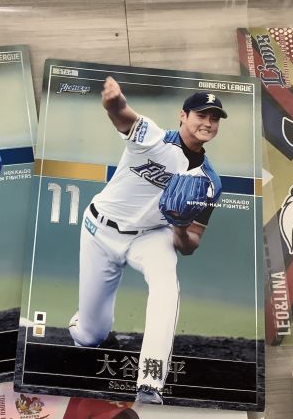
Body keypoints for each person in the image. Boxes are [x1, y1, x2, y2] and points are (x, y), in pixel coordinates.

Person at [69, 80, 225, 396]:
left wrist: (179, 227)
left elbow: (190, 244)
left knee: (166, 281)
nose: (208, 123)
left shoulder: (209, 182)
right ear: (183, 115)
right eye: (201, 115)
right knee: (90, 335)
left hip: (151, 236)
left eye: (214, 118)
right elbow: (122, 115)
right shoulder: (153, 138)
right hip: (101, 230)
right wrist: (113, 101)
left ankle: (150, 382)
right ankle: (85, 325)